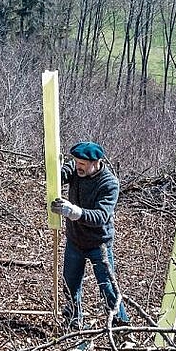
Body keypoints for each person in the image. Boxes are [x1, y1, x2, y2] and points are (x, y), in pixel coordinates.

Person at [51, 141, 129, 330]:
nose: (78, 166)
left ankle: (121, 327)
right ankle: (73, 323)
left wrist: (74, 212)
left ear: (97, 162)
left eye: (83, 164)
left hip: (99, 245)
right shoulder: (75, 169)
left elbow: (101, 216)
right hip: (74, 241)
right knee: (70, 286)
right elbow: (59, 176)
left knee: (108, 288)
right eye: (76, 162)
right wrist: (54, 168)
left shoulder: (109, 183)